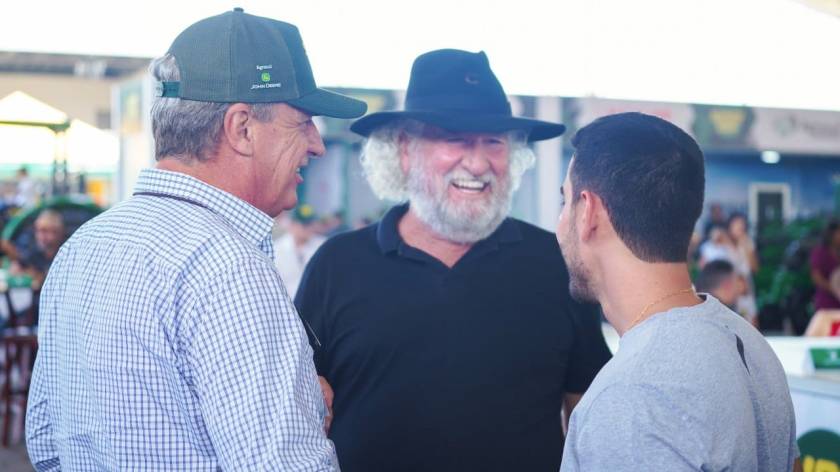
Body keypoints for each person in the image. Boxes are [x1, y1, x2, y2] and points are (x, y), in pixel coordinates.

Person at [26, 9, 366, 471]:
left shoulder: (85, 245)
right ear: (242, 128)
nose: (316, 144)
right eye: (302, 122)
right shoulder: (228, 266)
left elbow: (47, 445)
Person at [295, 49, 612, 472]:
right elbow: (298, 404)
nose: (478, 163)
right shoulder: (337, 266)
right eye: (454, 138)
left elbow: (587, 411)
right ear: (404, 150)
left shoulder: (557, 263)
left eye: (494, 142)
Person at [556, 112, 799, 471]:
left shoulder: (630, 397)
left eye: (565, 202)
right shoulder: (751, 344)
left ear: (587, 212)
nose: (560, 222)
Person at [274, 203, 327, 299]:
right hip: (286, 302)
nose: (309, 228)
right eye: (304, 225)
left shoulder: (323, 245)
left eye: (311, 224)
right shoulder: (277, 248)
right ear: (293, 225)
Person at [8, 209, 66, 290]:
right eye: (39, 230)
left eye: (44, 231)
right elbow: (15, 272)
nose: (41, 236)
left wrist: (37, 276)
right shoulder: (30, 253)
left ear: (59, 232)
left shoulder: (69, 255)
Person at [810, 220, 840, 311]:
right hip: (827, 303)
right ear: (831, 235)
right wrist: (834, 289)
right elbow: (816, 277)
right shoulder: (820, 253)